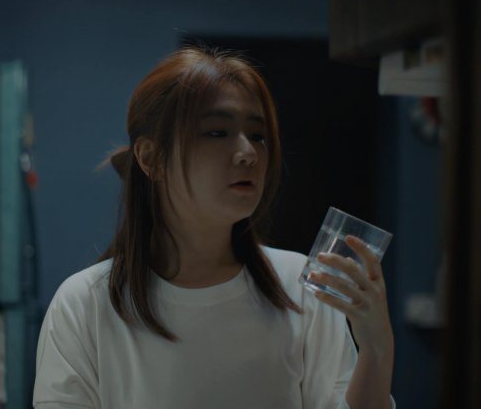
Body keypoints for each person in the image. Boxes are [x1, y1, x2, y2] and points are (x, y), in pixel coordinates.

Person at [32, 47, 395, 409]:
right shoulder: (85, 304)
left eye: (258, 135)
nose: (248, 153)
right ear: (151, 158)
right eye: (217, 132)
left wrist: (376, 349)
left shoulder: (303, 287)